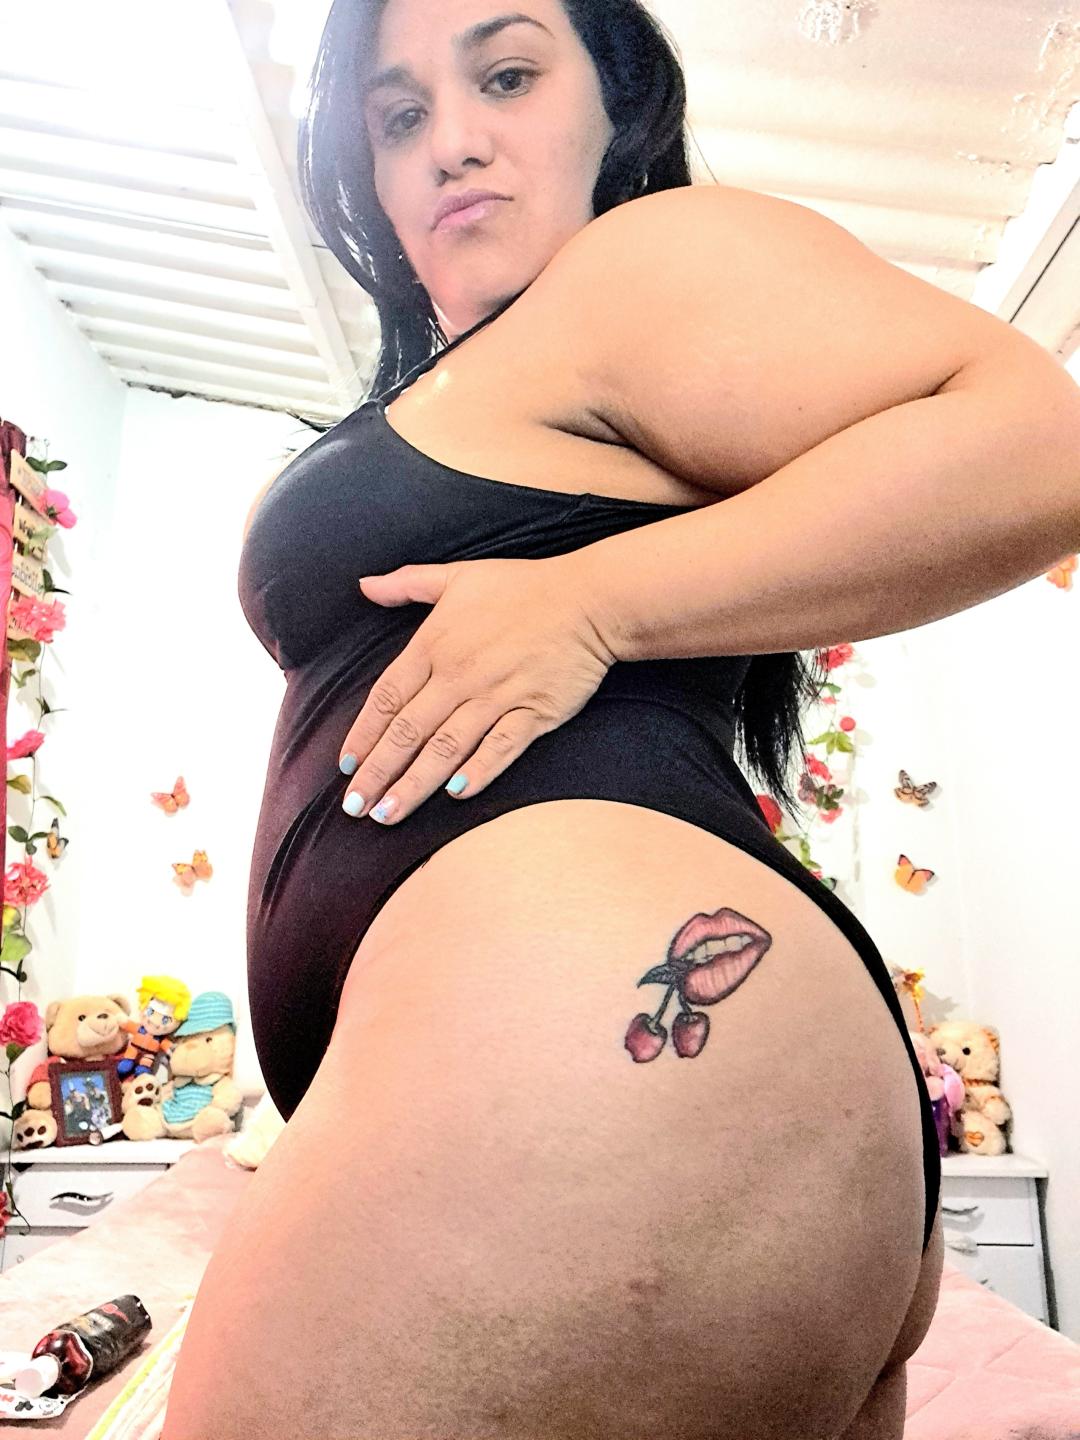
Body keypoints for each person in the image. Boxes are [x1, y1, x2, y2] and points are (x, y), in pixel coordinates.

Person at [163, 2, 1080, 1437]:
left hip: (602, 1054)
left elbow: (1044, 445)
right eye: (398, 117)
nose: (451, 142)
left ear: (620, 105)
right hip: (624, 1079)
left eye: (507, 75)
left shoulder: (642, 262)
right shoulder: (491, 376)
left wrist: (591, 605)